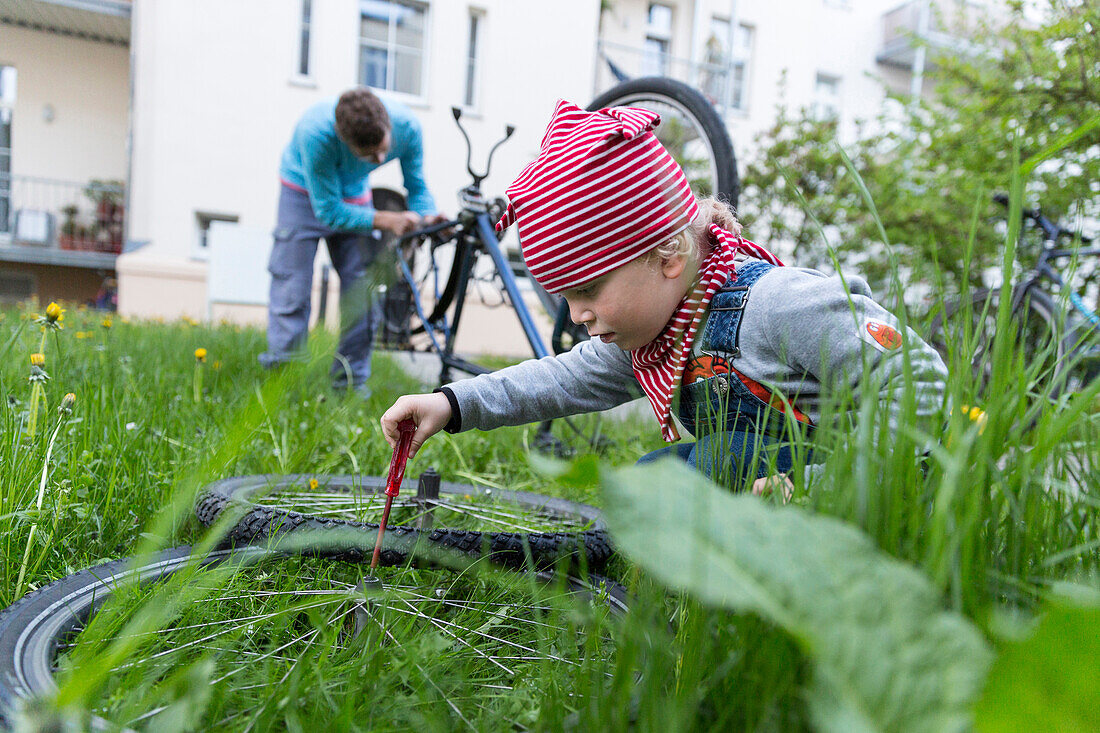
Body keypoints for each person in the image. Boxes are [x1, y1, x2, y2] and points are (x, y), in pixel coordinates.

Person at [380, 100, 947, 494]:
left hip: (878, 484)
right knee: (654, 486)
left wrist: (827, 488)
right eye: (565, 298)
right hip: (781, 485)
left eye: (588, 290)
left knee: (702, 468)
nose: (577, 317)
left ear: (669, 256)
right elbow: (561, 379)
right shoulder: (659, 340)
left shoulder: (779, 304)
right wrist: (452, 404)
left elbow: (917, 376)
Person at [260, 87, 446, 396]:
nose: (380, 159)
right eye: (369, 155)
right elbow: (329, 211)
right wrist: (386, 218)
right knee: (291, 287)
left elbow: (417, 186)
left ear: (387, 124)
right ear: (343, 139)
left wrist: (427, 217)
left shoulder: (408, 127)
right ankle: (283, 382)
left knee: (362, 288)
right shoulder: (316, 134)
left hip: (355, 195)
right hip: (302, 193)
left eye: (383, 148)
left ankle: (349, 385)